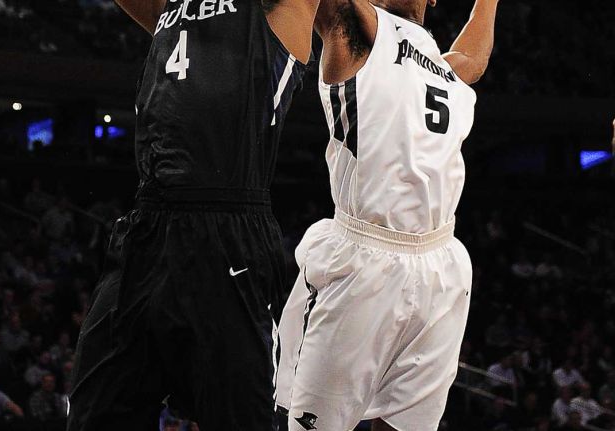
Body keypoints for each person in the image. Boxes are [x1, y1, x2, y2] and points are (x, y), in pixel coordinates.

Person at [68, 0, 321, 430]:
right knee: (95, 413)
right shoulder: (173, 7)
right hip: (145, 230)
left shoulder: (276, 12)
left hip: (227, 234)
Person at [275, 0, 500, 430]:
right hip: (363, 259)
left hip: (442, 266)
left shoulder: (439, 65)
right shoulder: (356, 31)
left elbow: (472, 58)